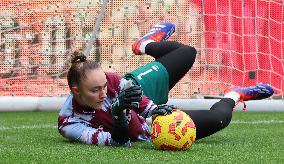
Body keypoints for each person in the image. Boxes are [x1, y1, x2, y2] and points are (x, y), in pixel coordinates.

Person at [58, 22, 274, 147]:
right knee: (220, 119)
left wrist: (155, 109)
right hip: (146, 128)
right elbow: (118, 143)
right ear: (75, 91)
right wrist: (118, 115)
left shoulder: (110, 80)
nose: (104, 93)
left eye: (104, 86)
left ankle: (145, 45)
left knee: (186, 53)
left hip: (142, 93)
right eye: (95, 90)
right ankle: (235, 94)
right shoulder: (69, 123)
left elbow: (135, 96)